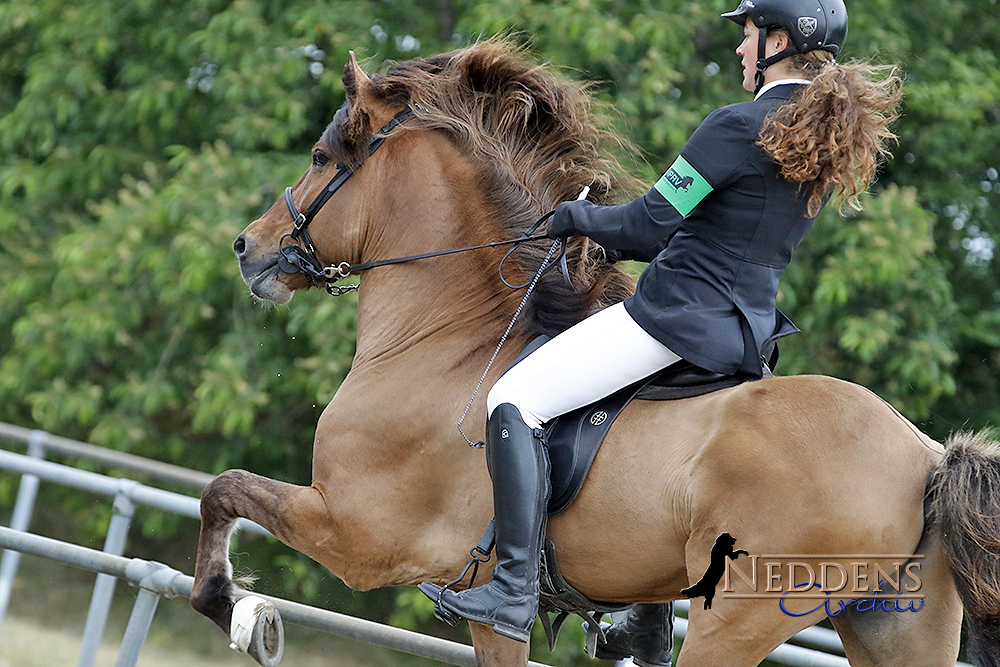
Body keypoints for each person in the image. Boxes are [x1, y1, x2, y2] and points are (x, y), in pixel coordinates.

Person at [419, 0, 902, 664]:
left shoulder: (737, 126)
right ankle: (646, 626)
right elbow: (722, 231)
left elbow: (650, 224)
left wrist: (577, 219)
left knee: (514, 399)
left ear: (779, 41)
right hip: (746, 336)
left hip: (674, 320)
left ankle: (509, 589)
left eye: (749, 34)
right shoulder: (815, 137)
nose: (739, 48)